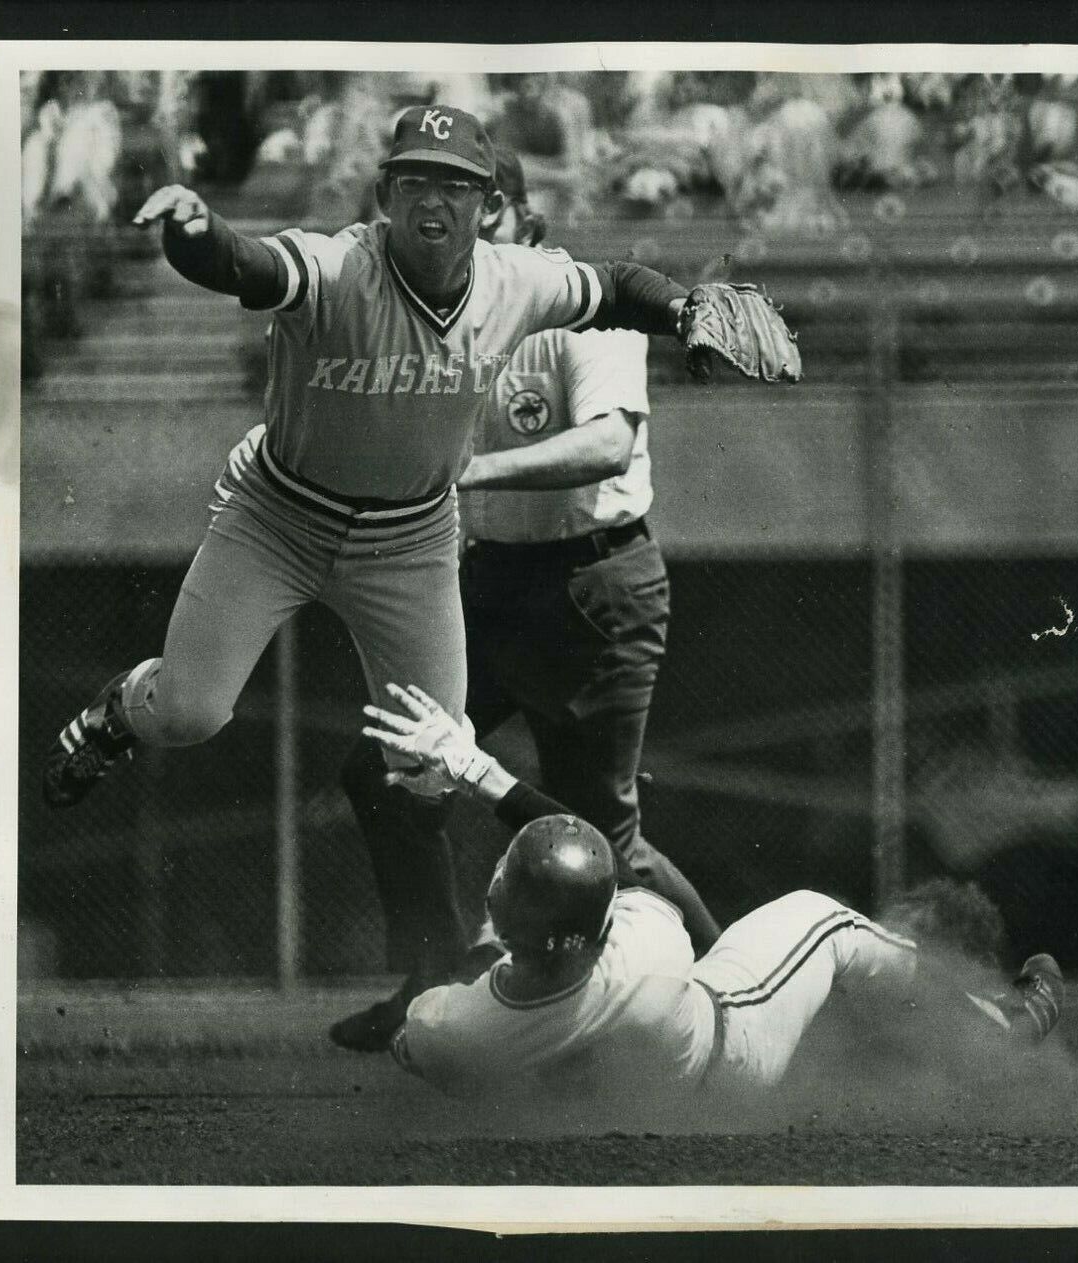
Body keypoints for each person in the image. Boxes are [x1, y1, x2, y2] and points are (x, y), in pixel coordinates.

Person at [41, 105, 749, 818]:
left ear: (491, 205)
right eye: (414, 182)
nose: (433, 201)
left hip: (407, 544)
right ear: (385, 197)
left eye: (456, 185)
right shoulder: (342, 266)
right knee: (189, 713)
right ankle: (119, 713)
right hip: (277, 520)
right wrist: (194, 234)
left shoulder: (515, 280)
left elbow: (618, 285)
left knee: (429, 764)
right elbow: (247, 264)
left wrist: (684, 308)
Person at [331, 146, 721, 1053]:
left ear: (520, 219)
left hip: (595, 583)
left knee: (608, 844)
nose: (461, 239)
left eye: (477, 213)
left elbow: (603, 447)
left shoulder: (583, 303)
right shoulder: (437, 314)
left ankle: (722, 985)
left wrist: (462, 469)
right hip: (490, 576)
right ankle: (432, 978)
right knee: (384, 766)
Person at [360, 682, 1066, 1100]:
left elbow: (430, 1027)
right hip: (733, 1051)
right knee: (823, 921)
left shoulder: (456, 1034)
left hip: (613, 1087)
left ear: (499, 903)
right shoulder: (644, 950)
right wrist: (475, 769)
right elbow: (601, 859)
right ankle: (1003, 1029)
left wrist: (479, 959)